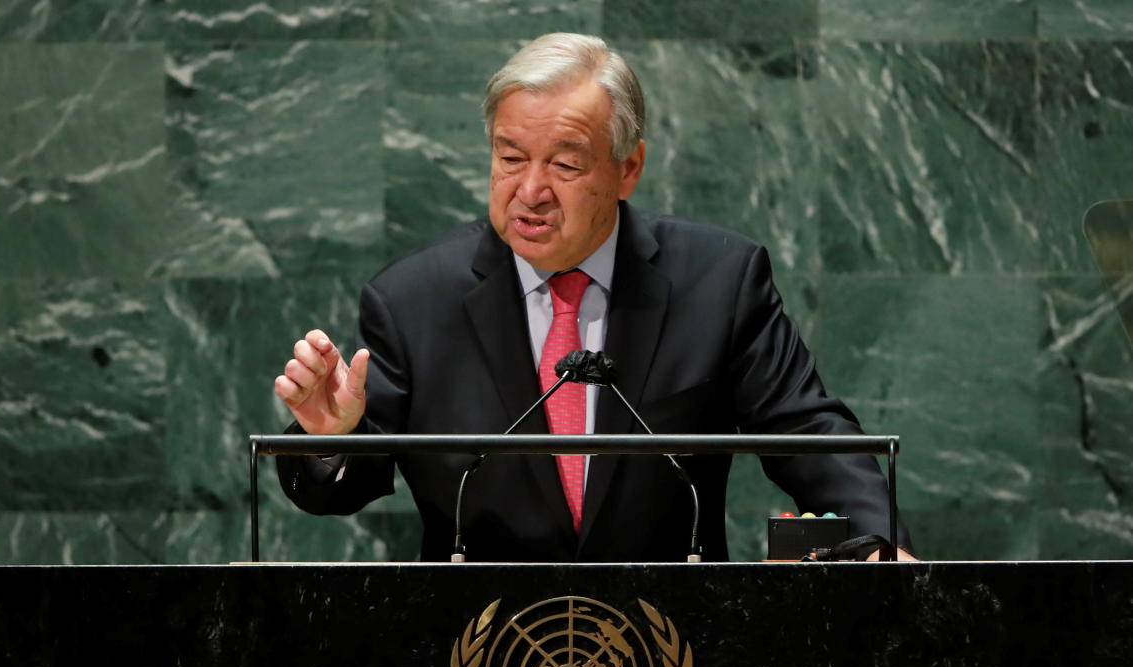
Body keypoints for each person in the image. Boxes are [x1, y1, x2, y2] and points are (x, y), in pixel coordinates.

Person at [274, 33, 913, 563]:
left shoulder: (717, 281)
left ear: (627, 168)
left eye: (565, 164)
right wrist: (333, 439)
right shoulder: (413, 300)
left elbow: (807, 431)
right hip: (483, 654)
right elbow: (341, 484)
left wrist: (880, 545)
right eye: (510, 158)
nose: (530, 190)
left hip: (674, 651)